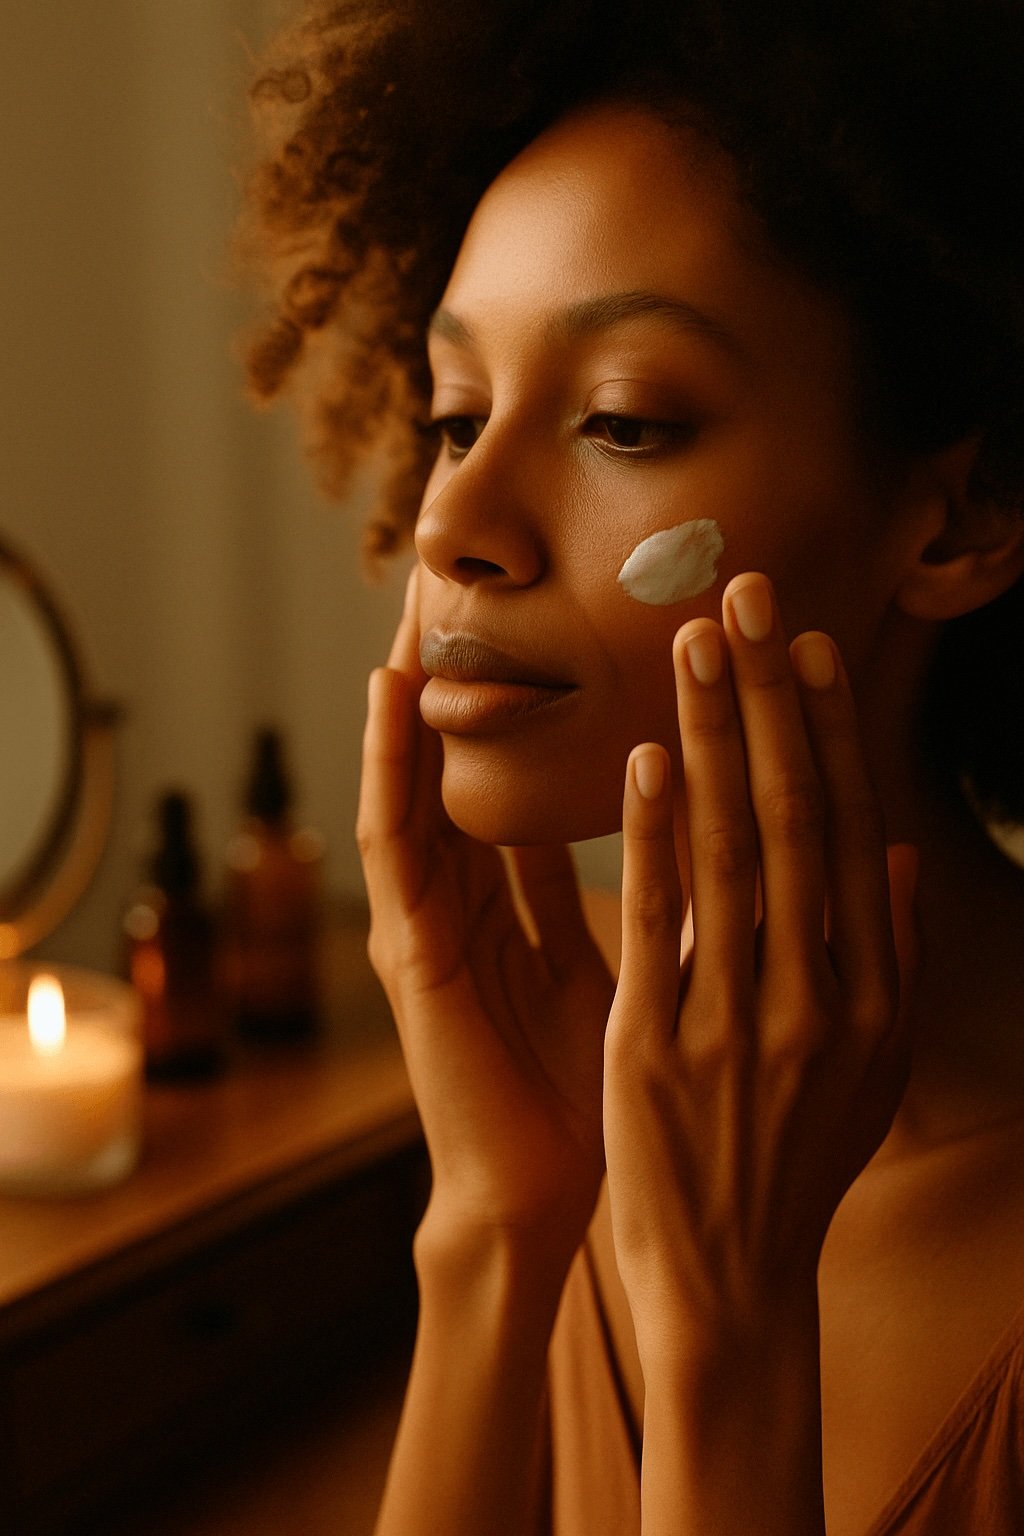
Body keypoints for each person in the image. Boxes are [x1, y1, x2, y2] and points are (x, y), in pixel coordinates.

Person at [238, 2, 1024, 1530]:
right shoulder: (600, 1101)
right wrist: (495, 1222)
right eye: (457, 417)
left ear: (965, 514)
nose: (452, 524)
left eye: (623, 420)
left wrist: (730, 1340)